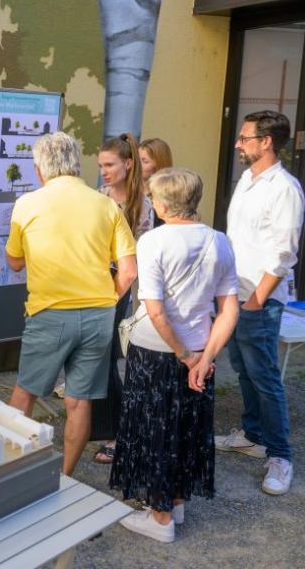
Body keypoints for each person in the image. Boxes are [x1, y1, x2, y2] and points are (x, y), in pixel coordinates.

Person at [110, 168, 239, 543]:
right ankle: (176, 502)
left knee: (155, 430)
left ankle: (161, 517)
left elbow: (155, 310)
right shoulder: (220, 241)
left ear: (163, 204)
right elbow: (229, 310)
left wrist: (184, 356)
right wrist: (204, 356)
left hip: (156, 351)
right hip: (201, 350)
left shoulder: (154, 241)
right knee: (185, 429)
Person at [6, 131, 137, 476]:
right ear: (77, 164)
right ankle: (63, 477)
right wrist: (106, 299)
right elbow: (128, 271)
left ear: (39, 169)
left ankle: (8, 472)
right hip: (99, 316)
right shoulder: (106, 204)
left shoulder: (27, 204)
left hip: (50, 313)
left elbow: (15, 262)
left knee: (25, 394)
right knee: (79, 401)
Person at [216, 110, 304, 496]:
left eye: (244, 138)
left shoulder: (284, 189)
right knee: (243, 368)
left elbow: (283, 254)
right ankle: (252, 436)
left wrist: (256, 300)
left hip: (258, 299)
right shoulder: (248, 181)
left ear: (266, 142)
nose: (238, 144)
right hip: (235, 292)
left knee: (265, 376)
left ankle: (281, 456)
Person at [91, 133, 153, 464]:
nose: (103, 171)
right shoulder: (100, 196)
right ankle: (105, 426)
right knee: (99, 359)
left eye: (109, 164)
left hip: (117, 291)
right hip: (91, 286)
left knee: (107, 360)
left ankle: (117, 433)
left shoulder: (143, 206)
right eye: (100, 165)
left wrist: (113, 295)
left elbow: (137, 263)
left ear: (128, 165)